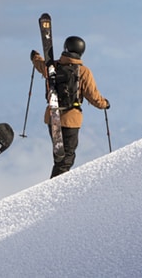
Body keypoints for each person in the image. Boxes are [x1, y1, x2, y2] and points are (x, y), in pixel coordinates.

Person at [31, 36, 110, 178]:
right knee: (66, 158)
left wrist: (35, 56)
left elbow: (39, 65)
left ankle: (53, 186)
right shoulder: (83, 71)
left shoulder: (52, 67)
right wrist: (105, 104)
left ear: (65, 48)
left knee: (58, 157)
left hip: (52, 117)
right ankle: (54, 189)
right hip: (71, 119)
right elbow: (93, 97)